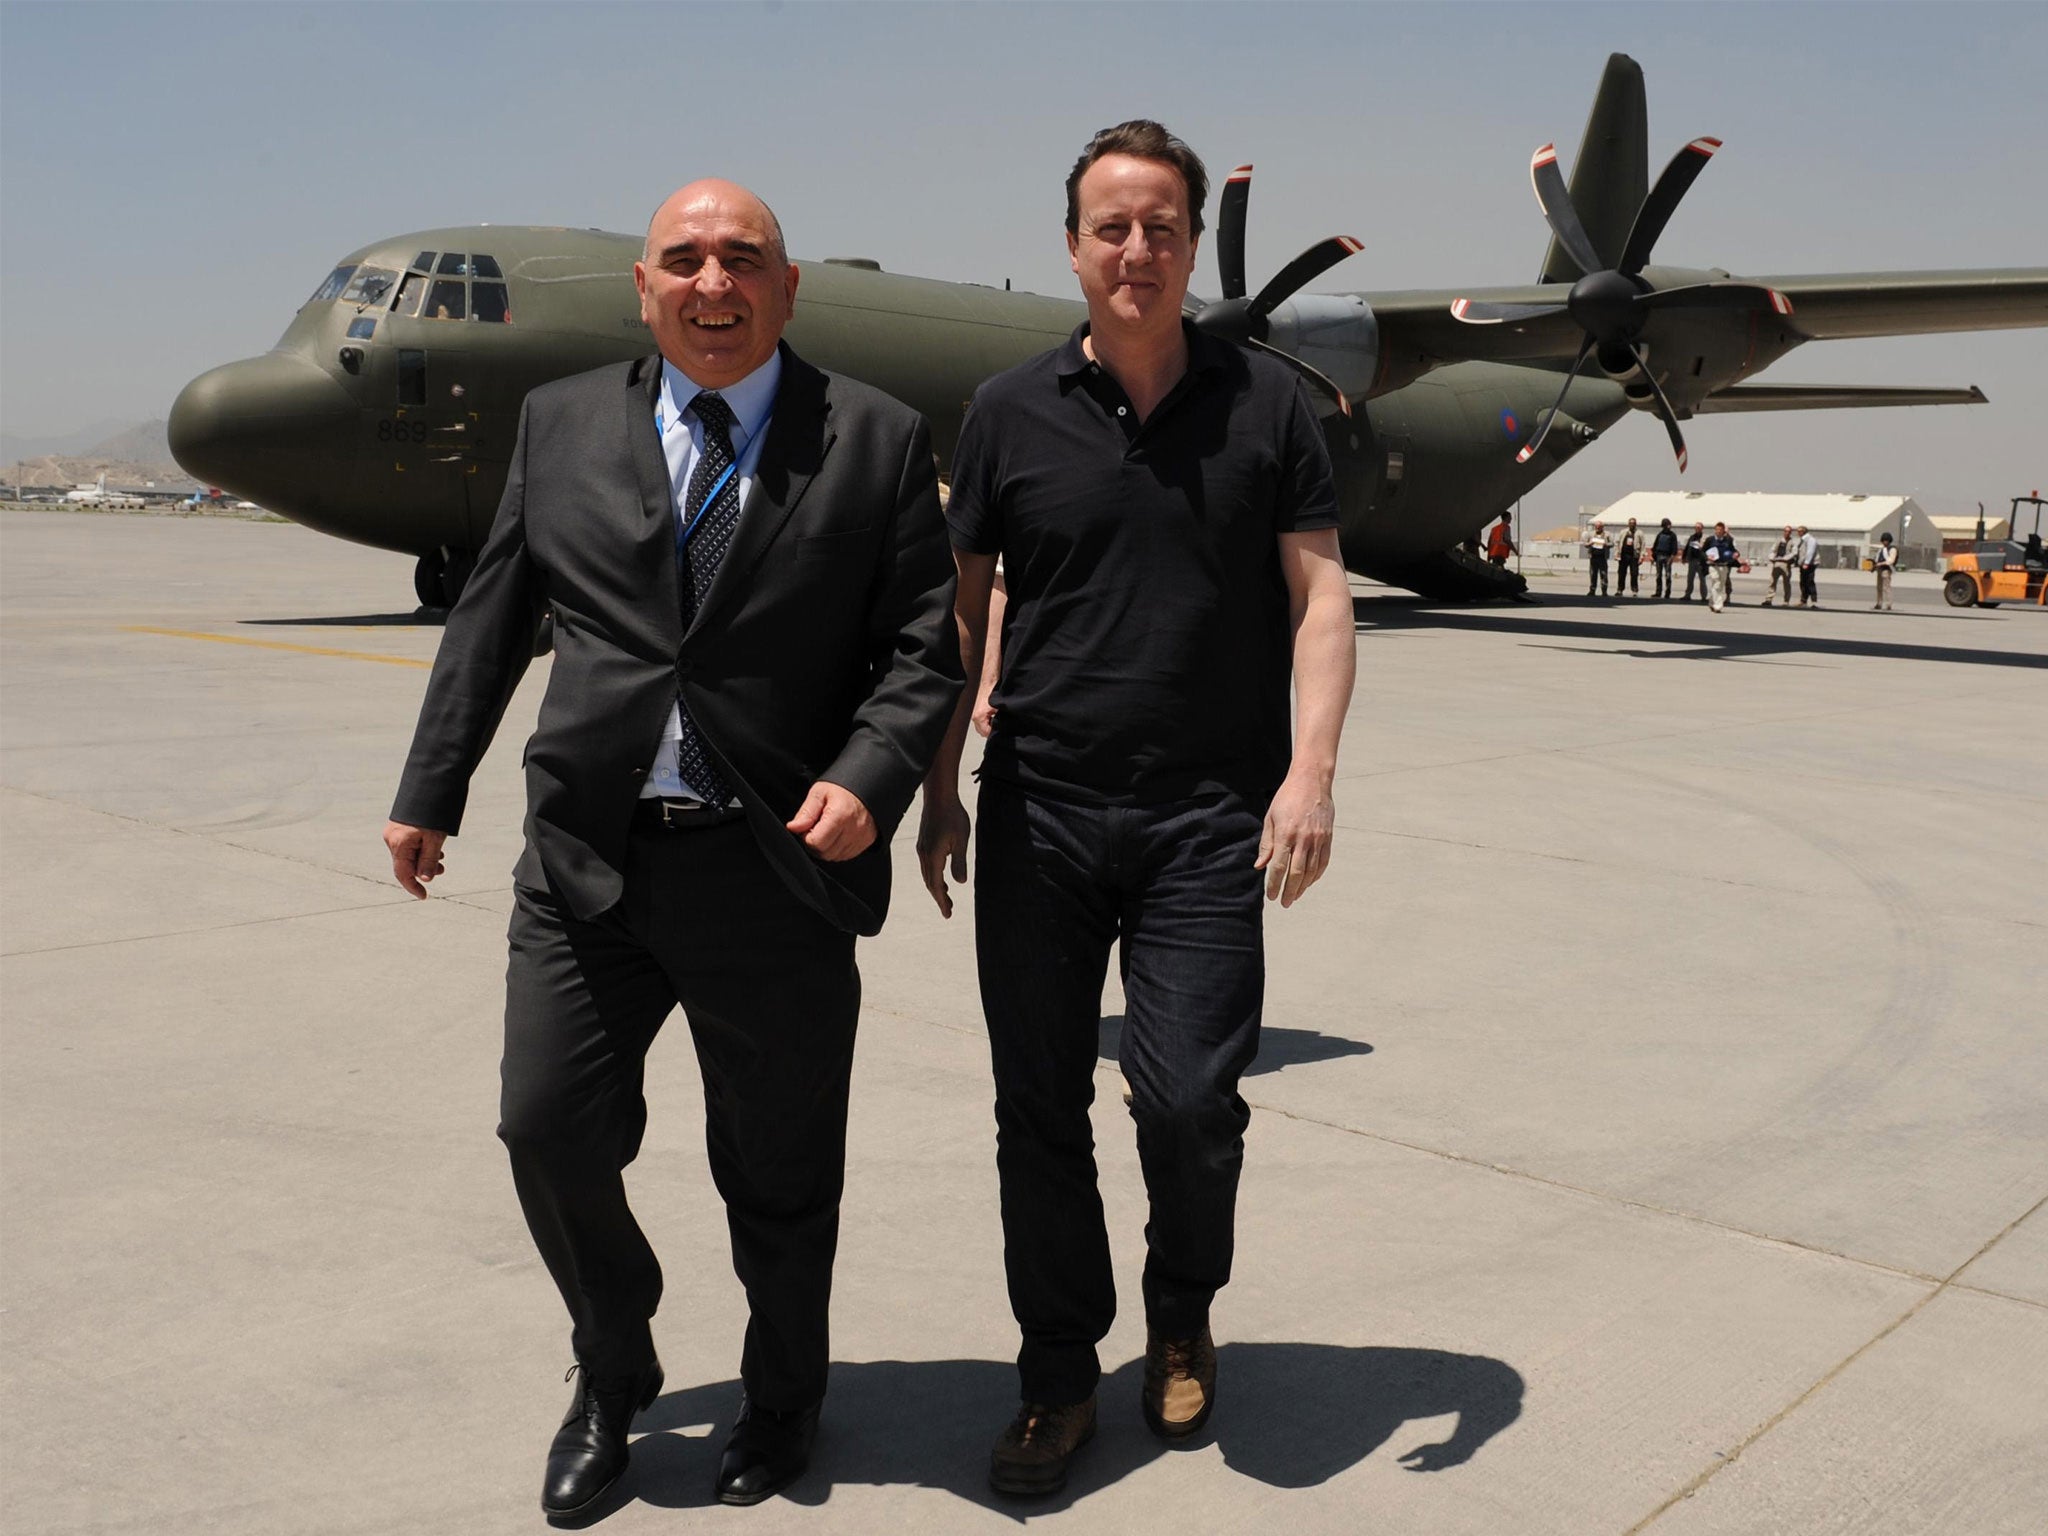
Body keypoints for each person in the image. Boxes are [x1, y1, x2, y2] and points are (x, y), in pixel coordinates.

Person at [381, 179, 961, 1518]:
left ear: (787, 286)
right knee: (547, 1128)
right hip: (591, 859)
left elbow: (927, 643)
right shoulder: (563, 420)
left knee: (778, 1170)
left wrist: (873, 774)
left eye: (742, 260)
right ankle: (615, 1357)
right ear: (644, 287)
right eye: (685, 260)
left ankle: (782, 1397)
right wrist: (432, 787)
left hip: (777, 871)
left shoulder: (868, 439)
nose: (715, 283)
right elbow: (495, 614)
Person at [915, 120, 1355, 1497]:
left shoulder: (1269, 407)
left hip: (1205, 820)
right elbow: (970, 598)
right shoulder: (1006, 411)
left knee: (1188, 1102)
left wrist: (1311, 773)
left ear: (1185, 246)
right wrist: (938, 776)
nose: (1138, 248)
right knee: (1036, 1107)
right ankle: (1057, 1376)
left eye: (1162, 225)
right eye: (1112, 225)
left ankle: (1180, 1309)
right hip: (1040, 811)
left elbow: (1322, 592)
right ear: (1072, 247)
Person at [1703, 520, 1739, 612]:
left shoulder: (1728, 540)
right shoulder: (1710, 540)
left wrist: (1736, 554)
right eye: (1717, 529)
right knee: (1717, 583)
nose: (1719, 531)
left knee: (1720, 585)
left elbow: (1733, 550)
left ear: (1724, 531)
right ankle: (1718, 606)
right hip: (1713, 565)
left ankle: (1711, 602)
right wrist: (1707, 557)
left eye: (1721, 530)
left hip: (1724, 566)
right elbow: (1702, 551)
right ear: (1715, 530)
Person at [1763, 524, 1795, 607]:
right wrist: (1772, 558)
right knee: (1772, 582)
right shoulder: (1778, 541)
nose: (1787, 533)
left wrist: (1785, 559)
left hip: (1786, 564)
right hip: (1776, 563)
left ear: (1791, 533)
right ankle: (1768, 599)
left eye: (1789, 531)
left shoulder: (1793, 542)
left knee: (1786, 583)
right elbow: (1773, 550)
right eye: (1785, 531)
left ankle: (1786, 601)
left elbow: (1794, 553)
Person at [1650, 516, 1678, 599]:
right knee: (1658, 575)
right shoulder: (1660, 534)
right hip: (1659, 556)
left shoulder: (1672, 535)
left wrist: (1672, 557)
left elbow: (1674, 547)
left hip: (1668, 557)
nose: (1669, 526)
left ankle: (1667, 593)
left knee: (1668, 576)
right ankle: (1658, 592)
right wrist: (1653, 557)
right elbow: (1655, 546)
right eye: (1667, 524)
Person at [1614, 516, 1643, 597]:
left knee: (1634, 573)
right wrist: (1616, 553)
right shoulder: (1623, 532)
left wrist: (1641, 557)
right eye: (1630, 523)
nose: (1632, 525)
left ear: (1636, 524)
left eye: (1633, 523)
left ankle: (1634, 590)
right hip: (1623, 556)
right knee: (1621, 573)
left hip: (1634, 556)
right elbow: (1618, 543)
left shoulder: (1639, 533)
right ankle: (1620, 590)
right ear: (1628, 524)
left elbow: (1643, 546)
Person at [1583, 518, 1612, 597]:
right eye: (1596, 527)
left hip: (1603, 557)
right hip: (1593, 557)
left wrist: (1606, 544)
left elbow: (1612, 543)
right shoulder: (1590, 534)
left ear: (1602, 527)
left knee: (1604, 574)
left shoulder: (1607, 534)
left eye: (1599, 527)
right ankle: (1592, 590)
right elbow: (1585, 544)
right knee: (1593, 574)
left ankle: (1604, 591)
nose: (1598, 528)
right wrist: (1590, 543)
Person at [1681, 521, 1708, 601]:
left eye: (1699, 528)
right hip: (1692, 561)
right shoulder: (1692, 537)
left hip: (1701, 561)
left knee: (1702, 579)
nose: (1697, 529)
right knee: (1690, 579)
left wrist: (1698, 545)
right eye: (1696, 528)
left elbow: (1705, 547)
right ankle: (1687, 595)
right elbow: (1687, 547)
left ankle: (1703, 597)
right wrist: (1684, 557)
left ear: (1702, 528)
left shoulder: (1704, 538)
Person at [1796, 523, 1821, 607]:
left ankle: (1814, 602)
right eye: (1797, 531)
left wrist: (1806, 563)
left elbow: (1810, 552)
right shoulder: (1802, 540)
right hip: (1803, 564)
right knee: (1803, 582)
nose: (1798, 533)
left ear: (1804, 531)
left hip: (1810, 564)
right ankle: (1803, 601)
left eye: (1799, 531)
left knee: (1810, 582)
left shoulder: (1810, 539)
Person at [1873, 530, 1899, 610]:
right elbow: (1877, 559)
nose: (1885, 542)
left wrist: (1880, 564)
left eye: (1886, 540)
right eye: (1883, 540)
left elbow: (1891, 561)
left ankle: (1889, 604)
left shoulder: (1892, 549)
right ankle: (1879, 603)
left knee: (1886, 588)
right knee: (1879, 587)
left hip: (1886, 570)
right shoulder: (1881, 549)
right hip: (1879, 569)